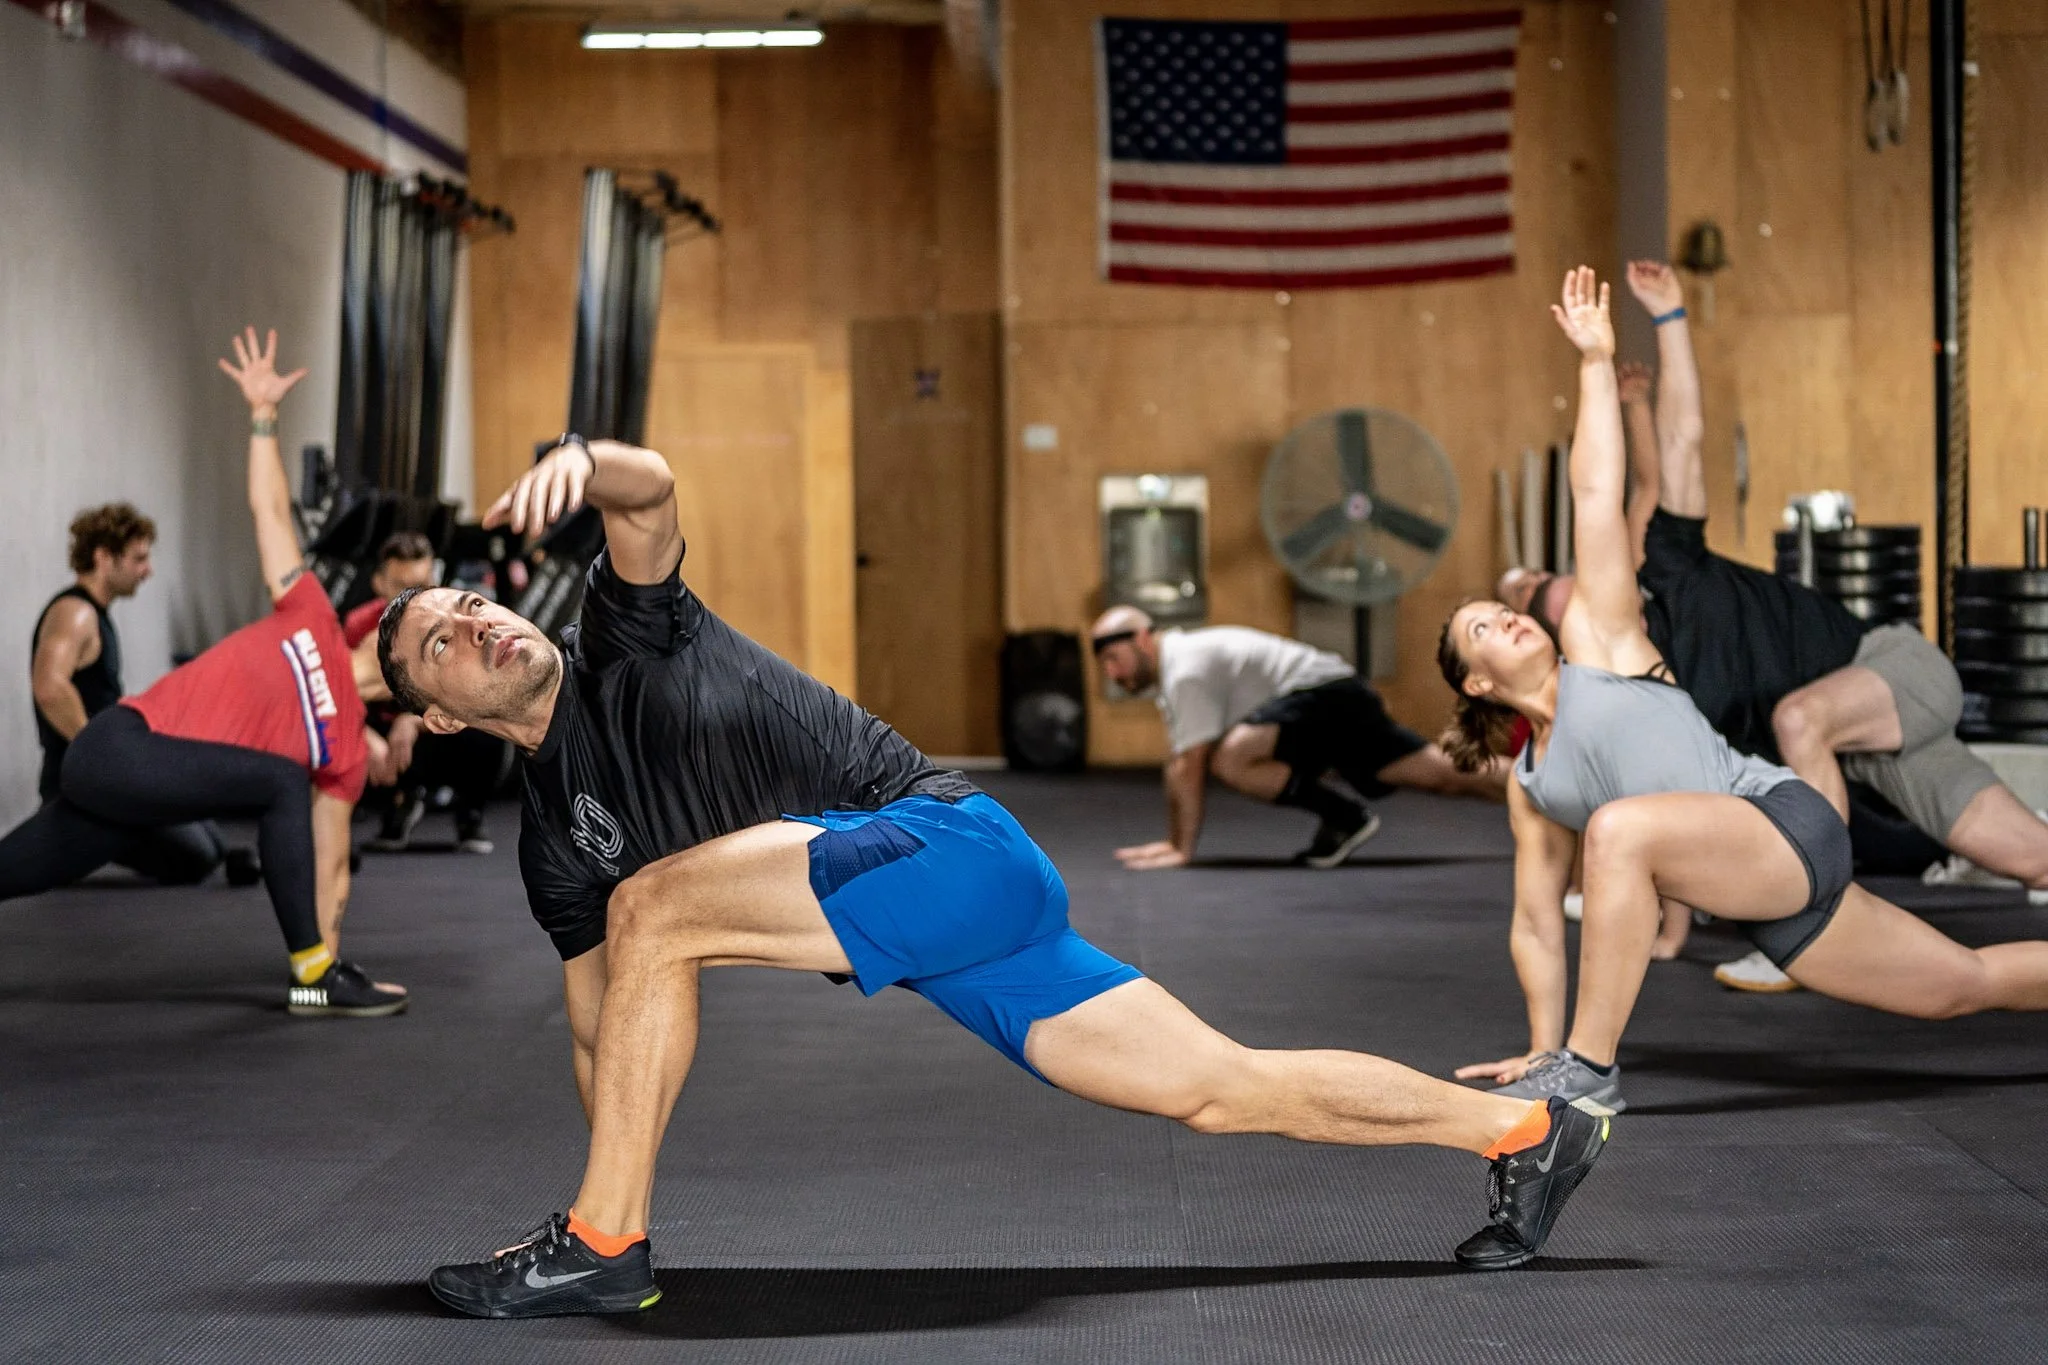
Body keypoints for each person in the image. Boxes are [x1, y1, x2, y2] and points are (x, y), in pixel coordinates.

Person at [375, 432, 1610, 1317]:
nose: (476, 623)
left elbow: (648, 500)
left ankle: (601, 1243)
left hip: (941, 842)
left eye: (470, 602)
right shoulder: (553, 839)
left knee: (657, 904)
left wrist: (582, 458)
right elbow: (605, 1024)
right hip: (960, 928)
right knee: (1220, 1089)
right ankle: (1520, 1131)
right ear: (435, 718)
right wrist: (622, 1143)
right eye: (441, 641)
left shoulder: (626, 641)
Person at [1439, 267, 2048, 1115]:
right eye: (1482, 628)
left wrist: (1594, 363)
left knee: (1617, 830)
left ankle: (1591, 1070)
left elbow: (1594, 494)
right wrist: (1534, 1047)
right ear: (1478, 683)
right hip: (1764, 898)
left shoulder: (1605, 640)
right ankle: (1567, 1059)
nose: (1506, 622)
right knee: (1963, 981)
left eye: (1502, 613)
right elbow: (1538, 923)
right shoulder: (1533, 786)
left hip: (1783, 823)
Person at [0, 329, 405, 1018]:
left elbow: (331, 864)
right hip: (117, 744)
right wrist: (262, 415)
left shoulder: (345, 753)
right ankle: (309, 977)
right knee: (278, 780)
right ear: (384, 624)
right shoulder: (312, 613)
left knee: (28, 867)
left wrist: (337, 951)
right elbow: (270, 510)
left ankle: (321, 972)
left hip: (140, 788)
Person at [1090, 610, 1506, 870]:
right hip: (1321, 706)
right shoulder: (1176, 671)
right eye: (1103, 664)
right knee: (1441, 773)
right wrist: (1171, 841)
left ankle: (1346, 817)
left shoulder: (1185, 670)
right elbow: (1177, 764)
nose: (1111, 672)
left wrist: (1182, 850)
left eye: (1113, 658)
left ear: (1143, 639)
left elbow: (1191, 764)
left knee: (1232, 757)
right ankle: (1536, 785)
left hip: (1329, 696)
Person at [28, 503, 232, 886]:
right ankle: (66, 830)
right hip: (79, 790)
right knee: (198, 856)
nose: (147, 570)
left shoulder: (96, 615)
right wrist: (101, 757)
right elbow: (49, 687)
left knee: (212, 840)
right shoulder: (74, 612)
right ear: (104, 558)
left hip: (106, 783)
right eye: (138, 559)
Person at [343, 532, 508, 855]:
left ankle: (469, 813)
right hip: (384, 737)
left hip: (434, 731)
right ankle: (395, 805)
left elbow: (474, 695)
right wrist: (361, 734)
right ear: (379, 583)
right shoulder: (358, 625)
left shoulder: (459, 622)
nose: (410, 596)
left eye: (420, 584)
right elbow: (331, 696)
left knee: (485, 723)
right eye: (399, 586)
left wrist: (411, 722)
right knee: (339, 734)